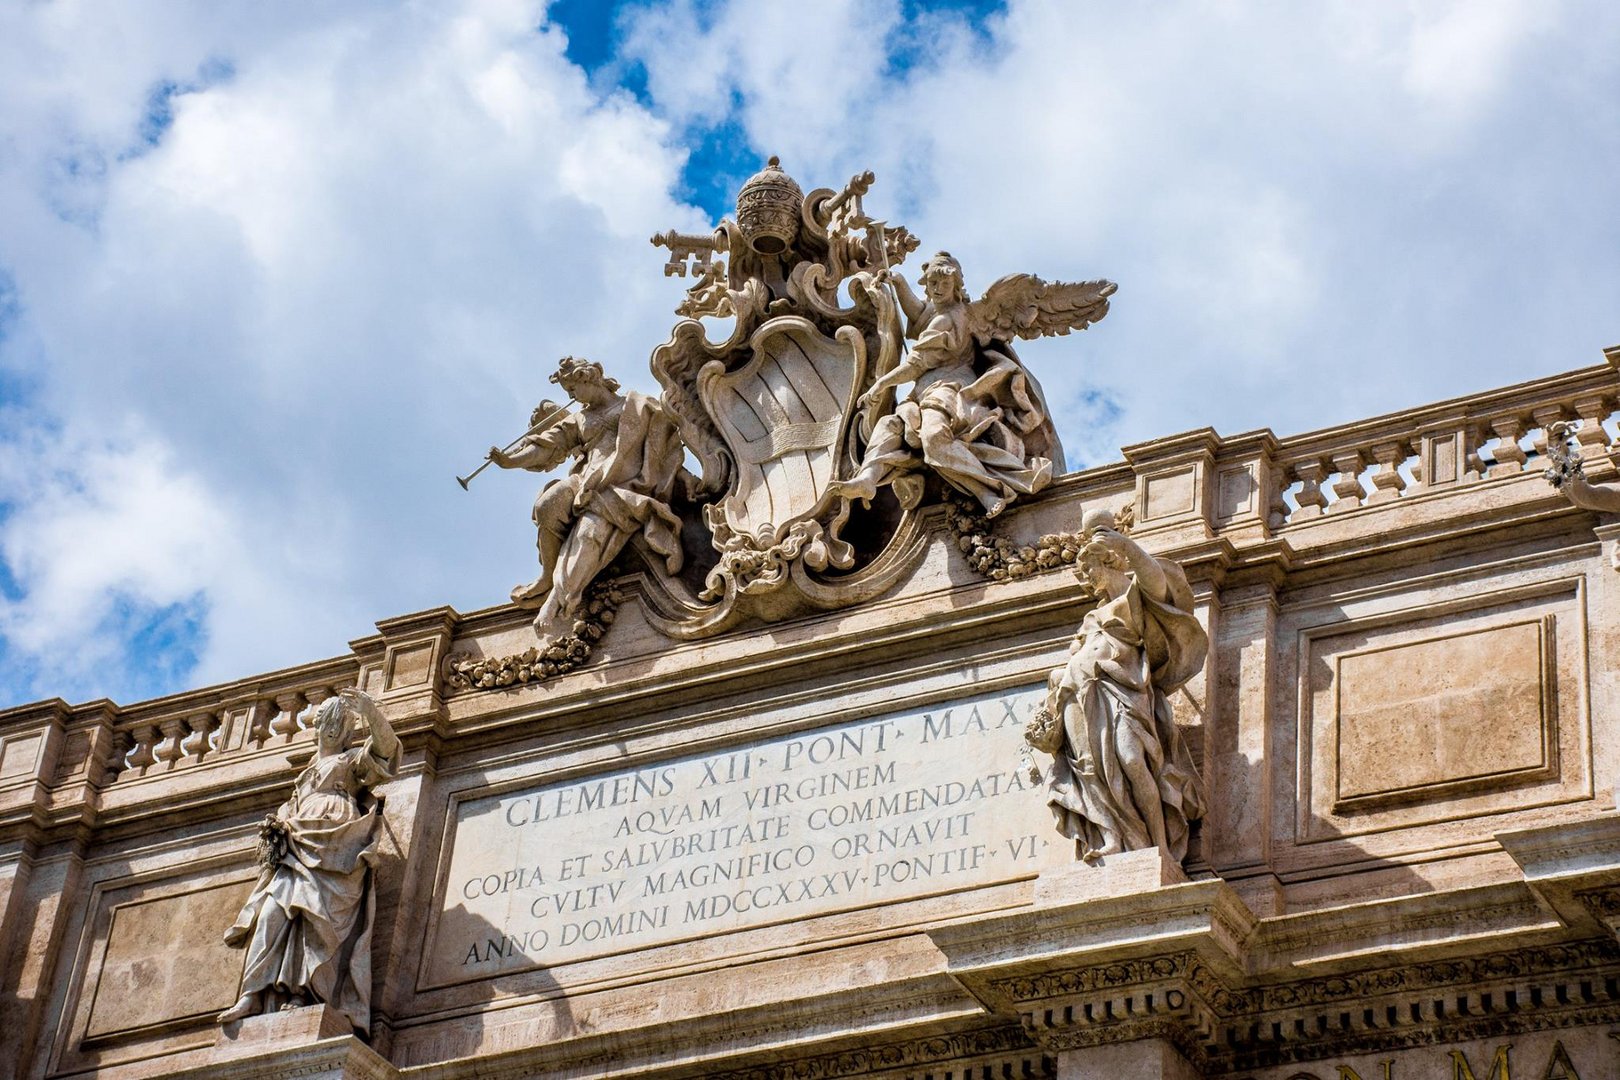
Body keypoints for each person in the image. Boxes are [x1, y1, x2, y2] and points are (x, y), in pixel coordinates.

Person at [218, 688, 399, 1031]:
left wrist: (371, 713)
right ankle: (253, 992)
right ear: (318, 727)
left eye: (341, 724)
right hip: (296, 846)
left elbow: (387, 754)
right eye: (329, 723)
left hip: (335, 846)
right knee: (272, 915)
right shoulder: (307, 771)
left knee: (317, 920)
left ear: (347, 731)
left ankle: (305, 994)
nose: (334, 730)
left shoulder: (351, 762)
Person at [830, 252, 1056, 517]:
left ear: (956, 286)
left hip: (952, 391)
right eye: (931, 284)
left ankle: (988, 489)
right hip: (922, 393)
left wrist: (880, 385)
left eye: (943, 284)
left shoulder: (954, 318)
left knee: (935, 439)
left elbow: (915, 365)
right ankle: (868, 478)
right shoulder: (939, 313)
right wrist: (899, 283)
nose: (936, 290)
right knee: (889, 425)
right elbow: (919, 312)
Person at [1039, 511, 1207, 862]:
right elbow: (1071, 663)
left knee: (1132, 761)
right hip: (1079, 698)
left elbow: (1157, 585)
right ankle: (1112, 836)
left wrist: (1126, 546)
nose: (1087, 579)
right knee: (1091, 770)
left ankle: (1157, 845)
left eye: (1091, 569)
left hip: (1121, 696)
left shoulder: (1130, 602)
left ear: (1109, 562)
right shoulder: (1090, 619)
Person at [488, 357, 687, 643]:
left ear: (590, 379)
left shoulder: (638, 405)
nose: (571, 396)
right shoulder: (580, 418)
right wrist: (510, 461)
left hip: (624, 485)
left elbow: (666, 449)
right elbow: (548, 446)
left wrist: (684, 482)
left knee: (588, 534)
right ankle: (547, 574)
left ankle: (557, 600)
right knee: (548, 504)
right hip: (588, 480)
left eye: (573, 388)